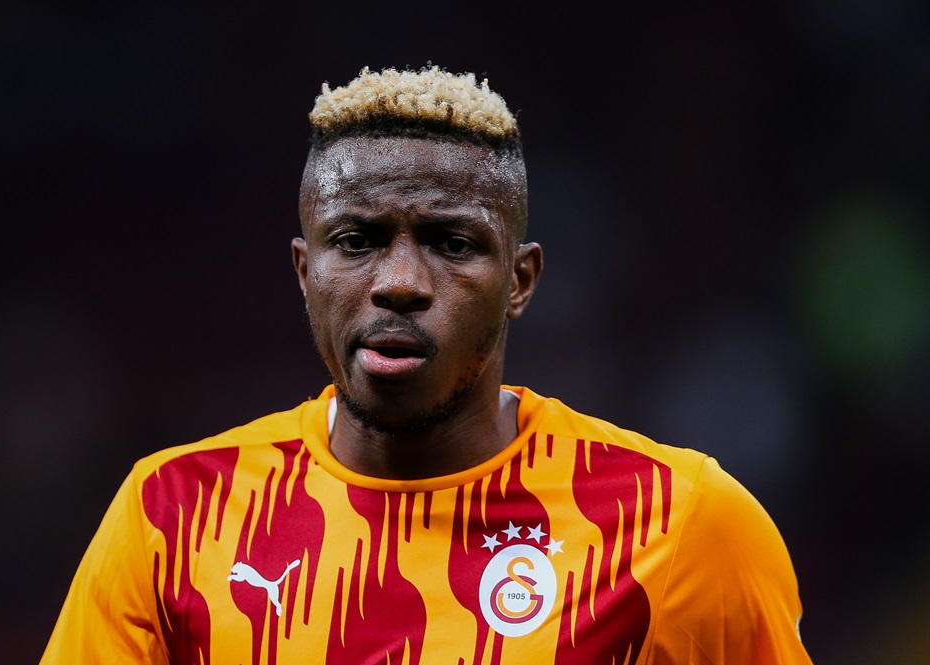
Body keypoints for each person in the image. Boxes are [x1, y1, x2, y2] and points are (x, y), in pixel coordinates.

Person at [41, 65, 812, 664]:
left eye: (452, 243)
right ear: (304, 271)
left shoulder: (681, 525)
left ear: (520, 280)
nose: (401, 282)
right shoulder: (171, 516)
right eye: (357, 240)